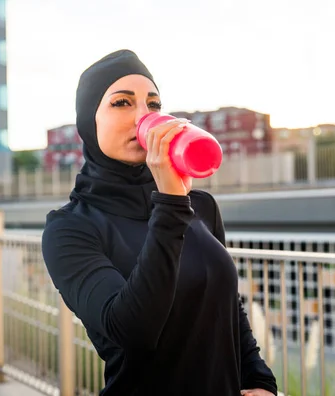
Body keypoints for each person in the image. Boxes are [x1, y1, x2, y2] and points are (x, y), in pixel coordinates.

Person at [41, 49, 277, 396]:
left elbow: (227, 306)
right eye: (122, 103)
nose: (143, 117)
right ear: (89, 122)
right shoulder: (70, 228)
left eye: (153, 105)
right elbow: (132, 332)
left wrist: (258, 378)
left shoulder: (200, 206)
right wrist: (170, 204)